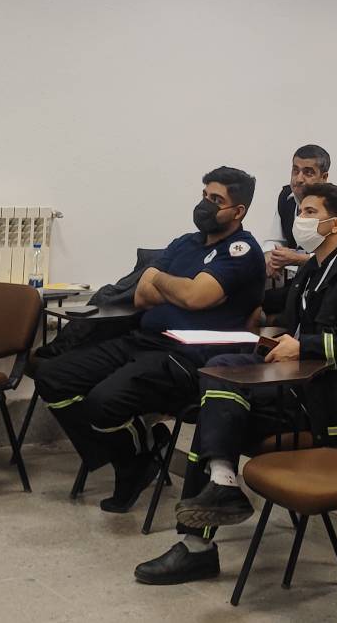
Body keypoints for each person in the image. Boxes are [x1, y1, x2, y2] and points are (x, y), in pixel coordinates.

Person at [133, 183, 337, 585]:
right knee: (218, 386)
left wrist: (304, 346)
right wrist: (253, 315)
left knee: (219, 403)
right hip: (293, 386)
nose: (300, 219)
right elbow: (287, 319)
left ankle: (200, 539)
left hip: (326, 401)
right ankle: (219, 489)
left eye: (310, 212)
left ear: (336, 224)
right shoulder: (312, 270)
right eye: (300, 211)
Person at [36, 168, 265, 514]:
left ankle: (132, 461)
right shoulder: (185, 243)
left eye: (216, 200)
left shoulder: (241, 251)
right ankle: (135, 458)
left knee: (103, 402)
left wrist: (162, 280)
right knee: (52, 376)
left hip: (188, 358)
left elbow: (194, 297)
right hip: (144, 340)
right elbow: (143, 294)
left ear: (238, 211)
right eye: (204, 195)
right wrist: (179, 287)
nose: (205, 205)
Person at [260, 145, 332, 316]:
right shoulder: (286, 197)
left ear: (324, 177)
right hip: (293, 281)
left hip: (323, 284)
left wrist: (299, 259)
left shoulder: (335, 205)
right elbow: (275, 240)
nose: (298, 179)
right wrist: (271, 256)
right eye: (295, 170)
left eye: (308, 172)